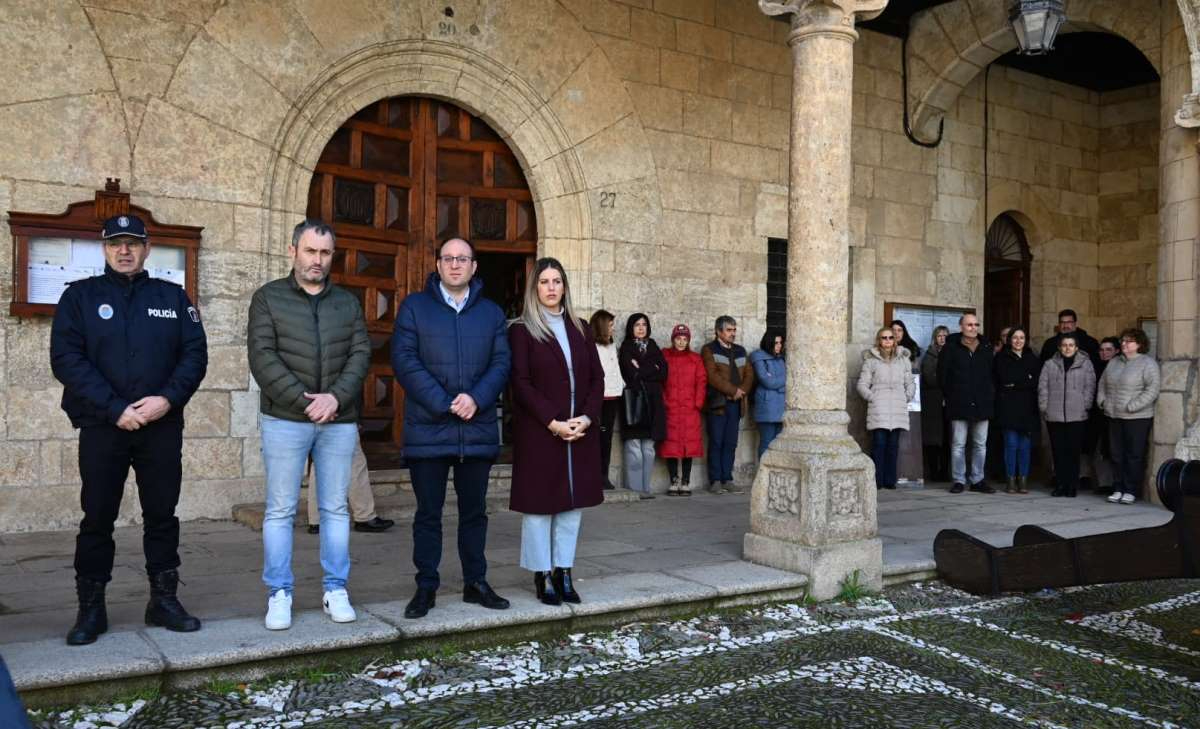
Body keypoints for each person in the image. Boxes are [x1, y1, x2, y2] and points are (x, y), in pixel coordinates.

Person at [50, 214, 208, 646]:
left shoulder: (173, 298)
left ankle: (163, 601)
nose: (124, 250)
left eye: (132, 243)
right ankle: (91, 609)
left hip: (160, 427)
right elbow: (66, 359)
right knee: (97, 516)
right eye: (115, 243)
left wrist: (166, 400)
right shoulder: (80, 298)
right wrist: (114, 407)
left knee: (162, 515)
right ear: (103, 248)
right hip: (104, 427)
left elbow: (194, 355)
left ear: (147, 248)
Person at [248, 219, 370, 630]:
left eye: (325, 253)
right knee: (280, 509)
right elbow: (263, 358)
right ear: (293, 251)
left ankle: (336, 588)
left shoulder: (347, 303)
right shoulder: (268, 299)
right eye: (310, 251)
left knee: (335, 508)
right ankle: (278, 592)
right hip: (285, 419)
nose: (317, 260)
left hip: (339, 419)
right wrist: (307, 403)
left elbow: (360, 354)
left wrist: (335, 398)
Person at [391, 237, 512, 618]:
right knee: (428, 513)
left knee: (475, 513)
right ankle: (426, 585)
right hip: (429, 429)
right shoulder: (414, 307)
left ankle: (476, 582)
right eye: (448, 259)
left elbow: (501, 363)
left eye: (463, 259)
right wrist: (445, 402)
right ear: (438, 265)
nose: (455, 265)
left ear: (475, 266)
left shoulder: (491, 314)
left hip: (475, 431)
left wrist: (475, 398)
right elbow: (404, 360)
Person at [508, 258, 604, 605]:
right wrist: (552, 420)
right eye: (544, 282)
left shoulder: (580, 328)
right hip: (541, 430)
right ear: (535, 288)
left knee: (571, 506)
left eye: (557, 281)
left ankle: (564, 569)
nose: (551, 288)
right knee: (539, 507)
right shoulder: (521, 330)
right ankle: (542, 573)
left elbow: (597, 378)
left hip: (579, 430)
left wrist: (588, 418)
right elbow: (520, 382)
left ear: (565, 286)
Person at [1098, 328, 1161, 505]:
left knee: (1134, 454)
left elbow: (1152, 389)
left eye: (1129, 341)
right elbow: (1102, 384)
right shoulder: (1114, 362)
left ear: (1139, 344)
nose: (1124, 344)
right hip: (1114, 415)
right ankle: (1118, 487)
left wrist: (1133, 406)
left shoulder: (1148, 364)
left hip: (1137, 417)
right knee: (1116, 454)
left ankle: (1131, 489)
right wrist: (1103, 402)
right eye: (1123, 340)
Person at [937, 313, 995, 494]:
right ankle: (959, 480)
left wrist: (989, 394)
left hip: (982, 402)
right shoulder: (951, 347)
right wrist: (951, 394)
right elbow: (942, 374)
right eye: (969, 325)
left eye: (976, 324)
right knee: (958, 443)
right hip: (959, 401)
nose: (973, 328)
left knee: (980, 444)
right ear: (961, 326)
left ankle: (977, 479)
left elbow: (992, 374)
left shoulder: (986, 346)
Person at [1038, 333, 1096, 498]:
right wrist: (1044, 407)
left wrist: (1085, 405)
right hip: (1054, 415)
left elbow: (1090, 386)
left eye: (1071, 345)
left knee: (1073, 452)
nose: (1067, 348)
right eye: (1064, 345)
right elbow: (1043, 387)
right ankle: (1060, 484)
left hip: (1077, 415)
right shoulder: (1050, 364)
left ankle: (1072, 485)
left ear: (1076, 348)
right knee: (1058, 452)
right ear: (1059, 347)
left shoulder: (1086, 364)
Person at [701, 316, 755, 493]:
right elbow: (712, 376)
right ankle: (715, 480)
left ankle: (727, 479)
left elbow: (749, 374)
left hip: (736, 404)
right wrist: (733, 391)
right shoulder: (709, 349)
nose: (733, 333)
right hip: (718, 404)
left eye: (734, 330)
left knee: (731, 442)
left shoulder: (740, 350)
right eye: (729, 330)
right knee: (716, 441)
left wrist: (742, 391)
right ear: (718, 331)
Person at [857, 327, 915, 490]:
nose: (888, 340)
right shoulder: (871, 361)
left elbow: (909, 382)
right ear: (879, 340)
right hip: (879, 408)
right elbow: (862, 385)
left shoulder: (903, 360)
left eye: (890, 337)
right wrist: (872, 397)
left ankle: (890, 481)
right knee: (879, 445)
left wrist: (907, 396)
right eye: (884, 338)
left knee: (893, 446)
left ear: (895, 340)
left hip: (897, 406)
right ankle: (877, 481)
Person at [618, 313, 668, 499]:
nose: (641, 328)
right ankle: (634, 490)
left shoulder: (653, 346)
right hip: (635, 402)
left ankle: (645, 489)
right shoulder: (626, 347)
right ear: (631, 327)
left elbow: (663, 372)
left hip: (653, 404)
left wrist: (641, 368)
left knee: (648, 450)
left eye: (644, 324)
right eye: (637, 324)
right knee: (634, 450)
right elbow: (631, 373)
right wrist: (650, 368)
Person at [305, 437, 394, 534]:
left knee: (320, 461)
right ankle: (364, 516)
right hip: (340, 423)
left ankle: (317, 521)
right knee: (355, 462)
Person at [660, 324, 707, 495]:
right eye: (678, 339)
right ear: (673, 339)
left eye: (684, 339)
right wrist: (664, 401)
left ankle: (686, 480)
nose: (681, 342)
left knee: (689, 445)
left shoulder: (695, 359)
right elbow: (661, 381)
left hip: (689, 409)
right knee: (671, 445)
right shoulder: (665, 357)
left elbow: (701, 381)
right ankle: (673, 480)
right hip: (671, 408)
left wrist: (698, 403)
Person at [993, 327, 1041, 494]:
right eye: (1015, 338)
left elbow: (1035, 382)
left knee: (1025, 446)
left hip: (1028, 409)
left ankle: (1023, 480)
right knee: (1011, 445)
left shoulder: (1032, 358)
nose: (1018, 341)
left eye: (1021, 337)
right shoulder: (1001, 358)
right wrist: (1023, 380)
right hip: (1008, 408)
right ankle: (1010, 480)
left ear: (1025, 340)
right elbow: (1004, 379)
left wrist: (1016, 383)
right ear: (1009, 340)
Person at [590, 309, 623, 490]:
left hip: (613, 396)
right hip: (599, 397)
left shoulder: (611, 345)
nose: (613, 329)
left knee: (607, 438)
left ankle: (604, 475)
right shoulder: (592, 347)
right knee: (595, 437)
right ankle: (593, 475)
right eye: (610, 325)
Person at [1088, 336, 1120, 494]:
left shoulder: (1120, 368)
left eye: (1109, 350)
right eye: (1102, 350)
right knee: (1098, 450)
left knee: (1112, 450)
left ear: (1116, 351)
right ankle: (1104, 483)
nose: (1105, 353)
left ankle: (1116, 483)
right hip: (1096, 414)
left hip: (1115, 414)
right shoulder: (1094, 367)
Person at [750, 329, 786, 459]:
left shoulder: (781, 360)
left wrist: (778, 383)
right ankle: (763, 475)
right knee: (766, 442)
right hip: (767, 407)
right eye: (776, 343)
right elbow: (767, 382)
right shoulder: (759, 358)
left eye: (780, 343)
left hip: (781, 406)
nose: (779, 346)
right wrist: (785, 382)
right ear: (769, 342)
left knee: (779, 445)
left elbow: (784, 382)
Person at [920, 326, 949, 481]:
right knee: (933, 440)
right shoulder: (930, 355)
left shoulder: (952, 353)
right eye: (939, 335)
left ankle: (945, 472)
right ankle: (934, 472)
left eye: (945, 335)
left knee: (947, 440)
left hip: (948, 402)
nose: (942, 338)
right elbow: (930, 377)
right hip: (933, 402)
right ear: (934, 338)